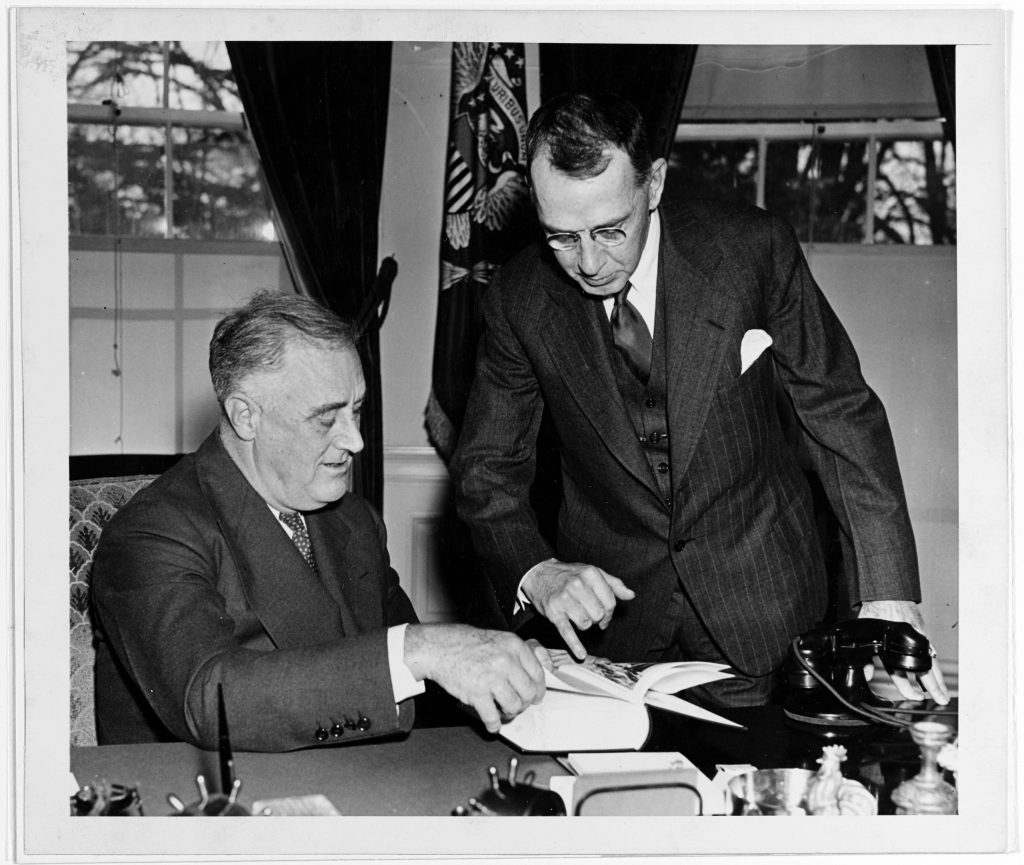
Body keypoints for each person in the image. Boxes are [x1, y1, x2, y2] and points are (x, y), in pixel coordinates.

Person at [449, 91, 949, 708]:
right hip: (611, 636)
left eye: (609, 230)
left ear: (653, 183)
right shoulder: (518, 298)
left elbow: (841, 414)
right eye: (561, 237)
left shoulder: (751, 252)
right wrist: (536, 571)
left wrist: (888, 592)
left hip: (762, 607)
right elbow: (485, 469)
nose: (588, 262)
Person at [91, 290, 548, 752]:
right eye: (326, 419)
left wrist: (501, 667)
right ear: (246, 416)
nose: (355, 441)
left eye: (357, 410)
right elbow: (208, 699)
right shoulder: (152, 532)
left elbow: (411, 678)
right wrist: (419, 650)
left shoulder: (353, 520)